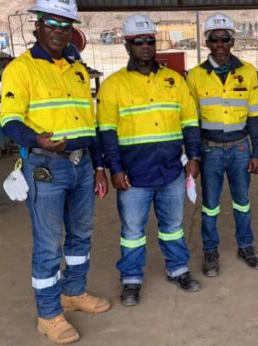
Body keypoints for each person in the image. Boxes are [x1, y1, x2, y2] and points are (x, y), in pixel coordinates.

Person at [0, 0, 110, 343]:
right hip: (46, 166)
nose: (58, 31)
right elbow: (9, 120)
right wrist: (37, 140)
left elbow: (88, 123)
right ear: (37, 26)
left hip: (83, 164)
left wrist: (100, 166)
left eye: (65, 25)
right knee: (48, 244)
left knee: (81, 235)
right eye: (51, 23)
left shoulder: (77, 69)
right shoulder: (22, 69)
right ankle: (48, 314)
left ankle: (74, 293)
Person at [96, 14, 203, 307]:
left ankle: (178, 268)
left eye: (150, 41)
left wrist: (193, 157)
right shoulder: (113, 85)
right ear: (127, 45)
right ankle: (131, 279)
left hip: (171, 171)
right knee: (132, 231)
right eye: (138, 42)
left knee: (174, 225)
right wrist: (114, 169)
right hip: (133, 175)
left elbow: (190, 123)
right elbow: (106, 132)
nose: (145, 46)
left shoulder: (174, 81)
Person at [185, 13, 258, 277]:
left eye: (225, 39)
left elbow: (255, 118)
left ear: (232, 41)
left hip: (241, 148)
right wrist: (193, 156)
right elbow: (191, 123)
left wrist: (257, 152)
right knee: (209, 205)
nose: (219, 44)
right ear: (206, 42)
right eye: (214, 39)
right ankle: (210, 251)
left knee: (242, 202)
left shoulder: (248, 72)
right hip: (210, 151)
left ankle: (246, 246)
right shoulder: (195, 76)